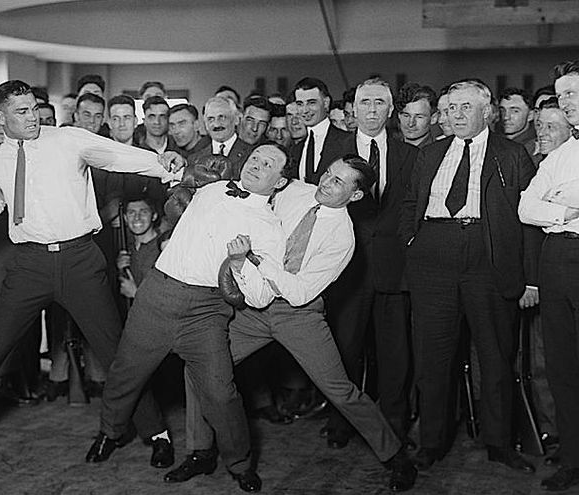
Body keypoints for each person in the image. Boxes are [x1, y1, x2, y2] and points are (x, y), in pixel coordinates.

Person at [0, 79, 183, 474]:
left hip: (80, 260)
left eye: (34, 108)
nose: (33, 117)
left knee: (115, 351)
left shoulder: (67, 139)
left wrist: (161, 164)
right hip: (29, 265)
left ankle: (157, 433)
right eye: (22, 112)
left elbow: (116, 156)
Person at [183, 155, 416, 492]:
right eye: (328, 174)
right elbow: (255, 187)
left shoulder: (343, 239)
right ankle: (201, 451)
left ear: (355, 195)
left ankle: (396, 457)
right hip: (255, 307)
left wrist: (256, 260)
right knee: (199, 363)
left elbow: (300, 291)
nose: (326, 183)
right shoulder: (294, 191)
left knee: (341, 391)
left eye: (338, 182)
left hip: (298, 314)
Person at [93, 143, 294, 493]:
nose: (257, 165)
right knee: (125, 373)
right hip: (158, 294)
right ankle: (109, 432)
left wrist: (239, 263)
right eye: (255, 158)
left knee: (220, 392)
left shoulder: (270, 228)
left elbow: (263, 295)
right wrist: (170, 160)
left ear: (280, 182)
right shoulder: (212, 186)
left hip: (206, 310)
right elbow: (169, 172)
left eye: (268, 164)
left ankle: (240, 463)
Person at [401, 79, 536, 474]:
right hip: (433, 257)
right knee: (432, 358)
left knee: (495, 356)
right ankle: (432, 442)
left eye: (465, 107)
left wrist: (530, 279)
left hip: (487, 258)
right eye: (450, 108)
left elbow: (529, 221)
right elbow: (411, 201)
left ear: (487, 112)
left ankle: (499, 442)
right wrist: (413, 240)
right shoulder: (430, 154)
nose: (456, 115)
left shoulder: (511, 155)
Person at [324, 78, 420, 448]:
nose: (372, 109)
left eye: (380, 102)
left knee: (395, 354)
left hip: (394, 268)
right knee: (345, 350)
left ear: (391, 110)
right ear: (354, 108)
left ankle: (394, 425)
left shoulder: (409, 154)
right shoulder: (335, 151)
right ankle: (341, 423)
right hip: (347, 268)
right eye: (365, 102)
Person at [518, 60, 579, 492]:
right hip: (557, 258)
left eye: (573, 93)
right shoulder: (560, 155)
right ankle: (574, 457)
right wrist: (565, 210)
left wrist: (556, 201)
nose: (566, 102)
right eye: (561, 95)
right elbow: (526, 208)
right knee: (561, 365)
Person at [291, 77, 351, 184]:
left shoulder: (348, 141)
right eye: (300, 104)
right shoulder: (295, 149)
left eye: (311, 103)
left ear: (326, 103)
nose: (305, 110)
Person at [189, 96, 251, 178]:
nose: (216, 124)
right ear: (205, 124)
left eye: (222, 117)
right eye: (210, 119)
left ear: (236, 120)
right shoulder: (194, 159)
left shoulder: (251, 154)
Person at [396, 82, 438, 148]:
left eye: (419, 117)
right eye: (406, 115)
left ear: (433, 118)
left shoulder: (443, 152)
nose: (411, 123)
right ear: (399, 116)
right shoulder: (387, 150)